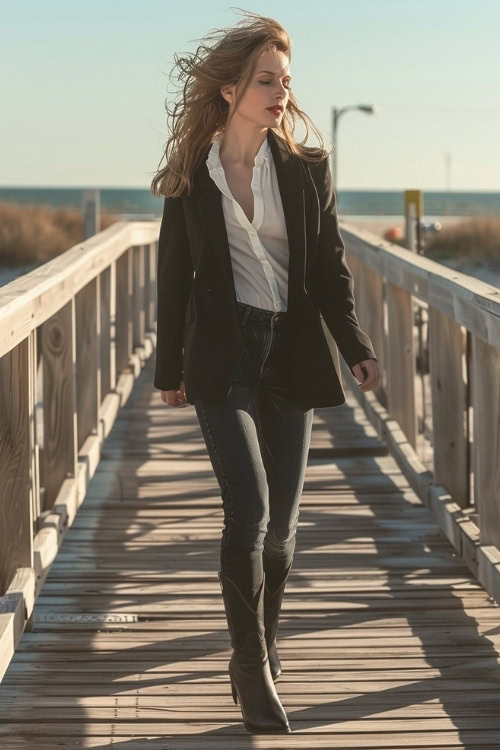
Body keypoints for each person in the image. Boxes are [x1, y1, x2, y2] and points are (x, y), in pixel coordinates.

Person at [151, 10, 381, 735]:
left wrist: (356, 346)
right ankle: (251, 668)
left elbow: (330, 271)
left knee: (281, 531)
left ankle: (262, 645)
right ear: (230, 90)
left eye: (286, 80)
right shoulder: (195, 176)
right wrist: (168, 368)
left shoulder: (307, 170)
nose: (280, 92)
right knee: (246, 511)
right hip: (223, 357)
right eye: (265, 80)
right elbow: (173, 280)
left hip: (293, 351)